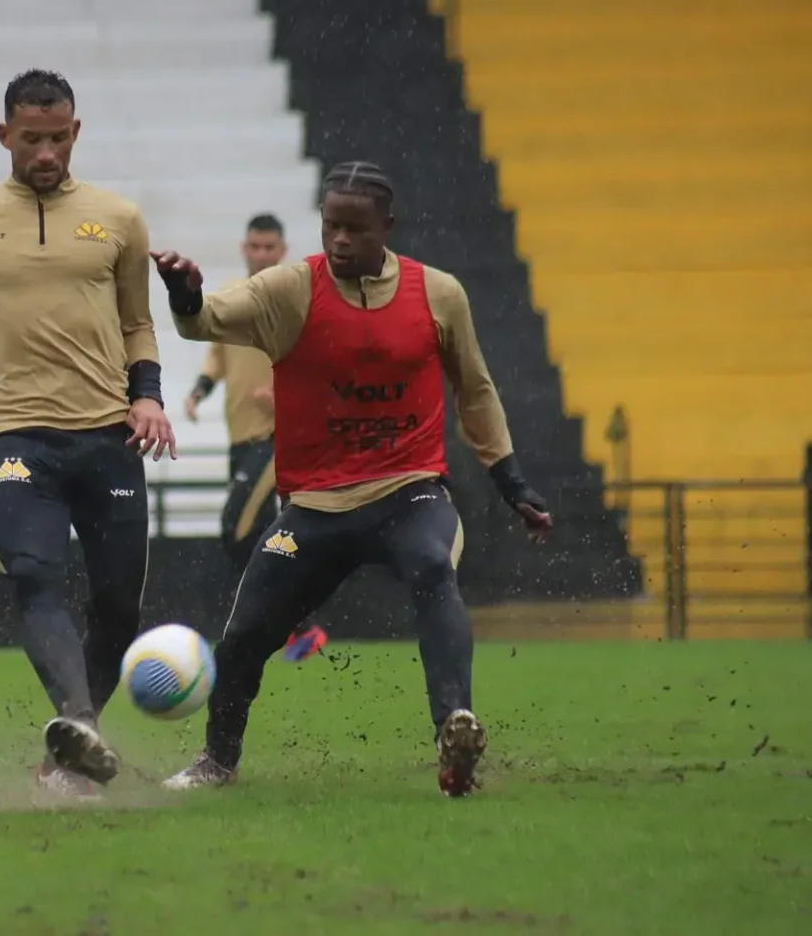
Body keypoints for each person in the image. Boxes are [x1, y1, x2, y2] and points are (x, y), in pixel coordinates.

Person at [151, 160, 553, 797]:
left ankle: (454, 728)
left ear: (386, 228)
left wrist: (512, 483)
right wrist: (185, 291)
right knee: (248, 630)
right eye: (330, 225)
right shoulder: (291, 289)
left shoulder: (439, 294)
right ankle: (217, 761)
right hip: (314, 505)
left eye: (354, 229)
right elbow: (203, 322)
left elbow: (474, 390)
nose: (338, 239)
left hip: (410, 490)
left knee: (432, 567)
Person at [0, 69, 176, 797]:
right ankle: (78, 717)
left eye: (58, 137)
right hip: (22, 439)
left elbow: (139, 323)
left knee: (118, 603)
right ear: (4, 136)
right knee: (34, 579)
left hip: (110, 436)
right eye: (31, 139)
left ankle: (71, 746)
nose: (46, 152)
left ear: (76, 132)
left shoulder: (118, 217)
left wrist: (149, 398)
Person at [183, 214, 327, 662]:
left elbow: (321, 367)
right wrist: (198, 392)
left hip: (277, 438)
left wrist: (286, 398)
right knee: (268, 536)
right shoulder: (229, 298)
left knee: (237, 529)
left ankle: (291, 622)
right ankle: (293, 625)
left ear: (282, 252)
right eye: (255, 247)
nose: (262, 254)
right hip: (239, 439)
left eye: (270, 248)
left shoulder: (294, 304)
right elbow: (218, 360)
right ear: (244, 248)